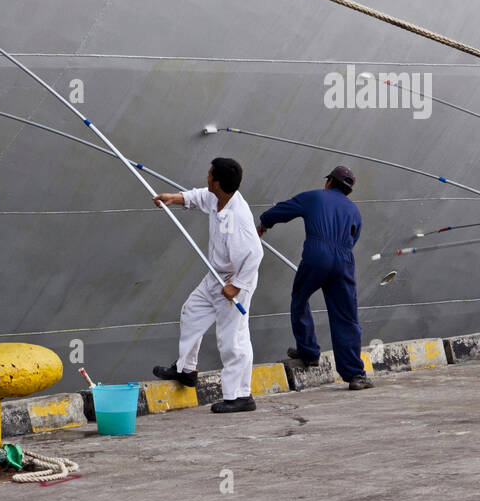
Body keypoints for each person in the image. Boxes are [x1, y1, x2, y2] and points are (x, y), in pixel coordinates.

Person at [151, 158, 264, 412]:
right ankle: (187, 370)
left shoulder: (240, 218)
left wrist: (236, 286)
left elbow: (256, 255)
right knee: (191, 312)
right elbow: (201, 196)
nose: (207, 177)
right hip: (216, 276)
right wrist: (175, 198)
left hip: (234, 281)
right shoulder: (218, 197)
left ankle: (240, 396)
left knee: (231, 338)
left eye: (210, 174)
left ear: (218, 182)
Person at [258, 166, 372, 391]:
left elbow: (283, 210)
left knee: (300, 298)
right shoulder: (354, 211)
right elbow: (353, 237)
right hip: (344, 261)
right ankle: (356, 375)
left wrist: (264, 223)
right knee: (346, 316)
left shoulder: (314, 196)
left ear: (329, 181)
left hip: (317, 255)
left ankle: (309, 352)